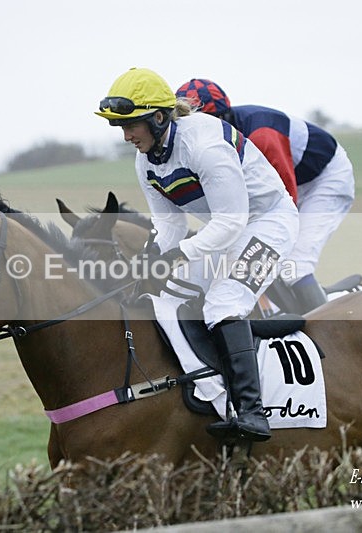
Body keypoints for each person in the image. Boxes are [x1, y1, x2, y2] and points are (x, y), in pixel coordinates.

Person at [95, 67, 299, 442]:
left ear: (158, 118)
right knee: (165, 298)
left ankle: (252, 413)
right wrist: (149, 260)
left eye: (131, 125)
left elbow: (231, 223)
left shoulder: (204, 146)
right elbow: (169, 225)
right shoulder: (145, 159)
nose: (126, 136)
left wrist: (176, 256)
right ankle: (212, 392)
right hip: (224, 229)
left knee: (223, 302)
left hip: (269, 223)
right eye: (119, 127)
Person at [176, 79, 356, 314]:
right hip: (288, 179)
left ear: (223, 117)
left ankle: (328, 328)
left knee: (294, 265)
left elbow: (284, 200)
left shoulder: (262, 135)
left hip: (324, 179)